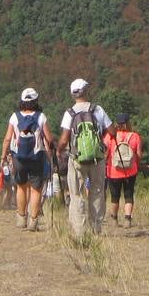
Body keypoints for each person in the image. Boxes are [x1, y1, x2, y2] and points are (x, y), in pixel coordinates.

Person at [56, 77, 115, 235]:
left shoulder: (70, 113)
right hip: (97, 158)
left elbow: (64, 138)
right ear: (86, 91)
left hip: (76, 158)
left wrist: (58, 150)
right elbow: (112, 131)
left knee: (77, 193)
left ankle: (80, 230)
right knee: (97, 191)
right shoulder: (98, 109)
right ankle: (96, 227)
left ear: (73, 94)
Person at [0, 87, 53, 232]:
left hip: (18, 157)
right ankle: (33, 221)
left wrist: (3, 156)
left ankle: (21, 218)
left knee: (21, 186)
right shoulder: (41, 117)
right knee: (36, 189)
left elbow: (7, 139)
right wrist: (51, 155)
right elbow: (49, 139)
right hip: (37, 157)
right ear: (36, 101)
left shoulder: (14, 117)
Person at [104, 112, 142, 228]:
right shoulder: (135, 136)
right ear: (128, 123)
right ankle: (127, 219)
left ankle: (114, 219)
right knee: (128, 194)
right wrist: (136, 164)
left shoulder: (110, 136)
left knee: (115, 196)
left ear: (116, 123)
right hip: (130, 171)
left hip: (113, 171)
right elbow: (139, 154)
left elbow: (105, 154)